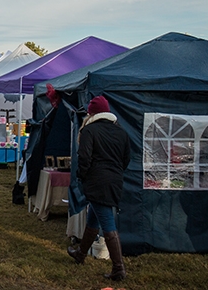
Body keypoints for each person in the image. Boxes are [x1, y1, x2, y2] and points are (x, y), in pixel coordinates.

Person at [67, 96, 131, 281]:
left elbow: (84, 157)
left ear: (91, 114)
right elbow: (126, 158)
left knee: (107, 222)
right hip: (115, 179)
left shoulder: (89, 130)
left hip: (96, 180)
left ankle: (118, 268)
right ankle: (81, 253)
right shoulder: (121, 132)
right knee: (94, 218)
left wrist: (83, 175)